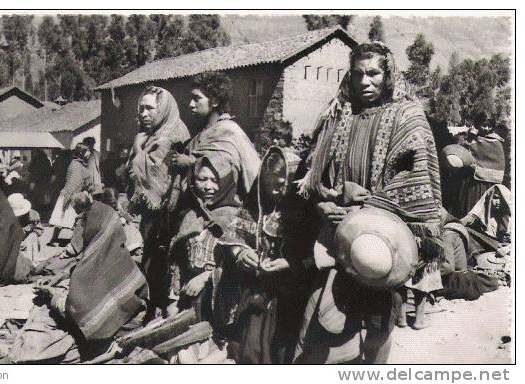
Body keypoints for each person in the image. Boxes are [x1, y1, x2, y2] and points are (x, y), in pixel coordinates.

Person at [294, 42, 443, 364]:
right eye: (358, 74)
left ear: (388, 74)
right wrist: (325, 202)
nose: (365, 82)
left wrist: (364, 205)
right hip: (337, 238)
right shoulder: (338, 115)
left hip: (382, 241)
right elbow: (312, 175)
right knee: (320, 322)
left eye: (373, 73)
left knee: (375, 327)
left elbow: (415, 182)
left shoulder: (407, 116)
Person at [10, 192, 148, 363]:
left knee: (37, 345)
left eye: (84, 227)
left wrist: (52, 296)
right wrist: (61, 276)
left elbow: (81, 315)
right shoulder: (120, 259)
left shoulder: (101, 272)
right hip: (115, 328)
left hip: (107, 339)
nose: (81, 232)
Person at [214, 146, 310, 364]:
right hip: (254, 291)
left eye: (283, 185)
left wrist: (290, 263)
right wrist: (241, 252)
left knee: (281, 352)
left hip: (289, 297)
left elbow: (315, 253)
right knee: (249, 350)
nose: (277, 191)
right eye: (270, 185)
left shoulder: (305, 213)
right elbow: (234, 234)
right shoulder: (255, 206)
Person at [122, 86, 191, 315]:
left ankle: (159, 312)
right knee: (151, 265)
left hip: (170, 216)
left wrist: (136, 147)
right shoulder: (153, 135)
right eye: (141, 108)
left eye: (150, 108)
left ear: (163, 109)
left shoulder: (169, 136)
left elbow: (151, 175)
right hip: (155, 217)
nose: (143, 113)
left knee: (163, 269)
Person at [167, 154, 242, 318]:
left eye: (215, 180)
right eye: (202, 179)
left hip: (222, 304)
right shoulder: (190, 216)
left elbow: (238, 267)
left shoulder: (236, 217)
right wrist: (174, 300)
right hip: (190, 303)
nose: (208, 186)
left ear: (226, 181)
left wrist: (206, 277)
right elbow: (179, 262)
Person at [170, 71, 261, 205]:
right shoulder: (200, 134)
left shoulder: (229, 131)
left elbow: (227, 166)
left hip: (222, 209)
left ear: (215, 101)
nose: (190, 104)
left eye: (197, 98)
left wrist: (190, 162)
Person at [454, 113, 506, 218]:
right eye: (484, 125)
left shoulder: (496, 142)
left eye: (490, 126)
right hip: (471, 182)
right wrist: (470, 137)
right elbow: (458, 151)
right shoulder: (470, 138)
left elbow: (499, 163)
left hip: (488, 184)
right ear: (477, 124)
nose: (487, 128)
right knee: (468, 208)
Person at [48, 143, 93, 247]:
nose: (89, 153)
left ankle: (54, 239)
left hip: (67, 193)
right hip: (73, 195)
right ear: (82, 152)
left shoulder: (75, 163)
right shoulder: (78, 165)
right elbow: (80, 181)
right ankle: (75, 241)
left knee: (60, 217)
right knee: (74, 218)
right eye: (87, 151)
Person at [29, 149, 53, 219]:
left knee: (37, 205)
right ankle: (44, 218)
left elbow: (33, 177)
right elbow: (53, 176)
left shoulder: (36, 162)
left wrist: (30, 189)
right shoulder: (47, 162)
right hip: (46, 187)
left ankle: (37, 219)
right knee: (45, 205)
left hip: (37, 188)